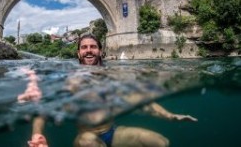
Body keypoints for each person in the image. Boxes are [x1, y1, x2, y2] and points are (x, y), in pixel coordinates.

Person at [19, 34, 197, 147]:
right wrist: (37, 135)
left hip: (112, 133)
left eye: (93, 47)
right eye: (84, 47)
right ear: (78, 53)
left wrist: (171, 116)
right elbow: (43, 108)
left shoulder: (113, 75)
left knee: (160, 142)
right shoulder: (68, 77)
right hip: (86, 139)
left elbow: (140, 99)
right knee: (88, 141)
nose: (89, 51)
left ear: (100, 51)